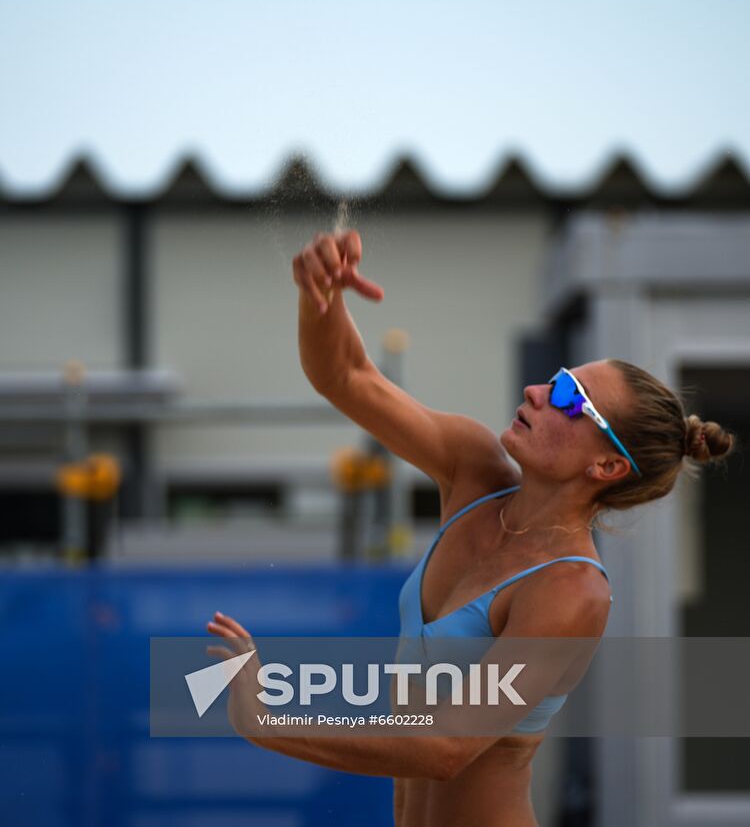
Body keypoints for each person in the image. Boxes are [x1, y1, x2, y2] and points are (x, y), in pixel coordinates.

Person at [208, 228, 734, 827]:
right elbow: (348, 376)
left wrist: (270, 722)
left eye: (568, 397)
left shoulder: (570, 590)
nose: (537, 390)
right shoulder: (474, 470)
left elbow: (444, 748)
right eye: (557, 377)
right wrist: (320, 297)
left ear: (607, 465)